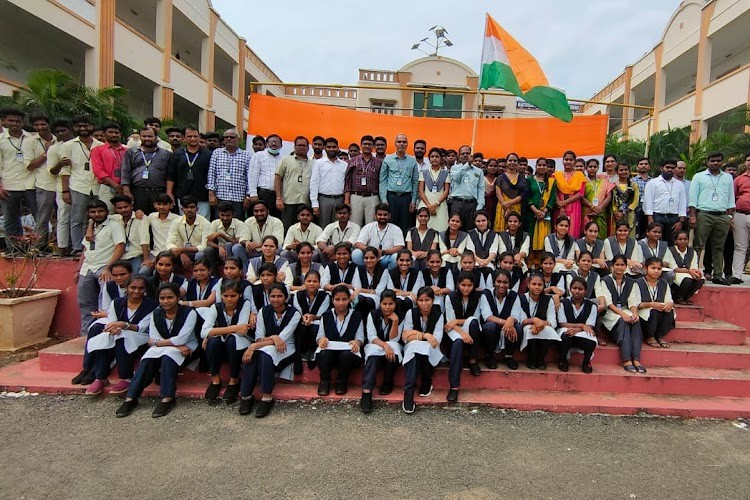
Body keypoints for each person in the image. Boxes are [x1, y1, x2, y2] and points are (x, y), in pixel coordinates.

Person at [115, 282, 198, 418]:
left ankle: (167, 398)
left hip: (187, 348)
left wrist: (166, 343)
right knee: (147, 360)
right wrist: (173, 344)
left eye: (170, 297)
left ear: (178, 298)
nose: (166, 301)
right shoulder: (156, 313)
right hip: (168, 347)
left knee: (168, 358)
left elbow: (183, 338)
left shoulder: (189, 313)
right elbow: (153, 338)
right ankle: (131, 398)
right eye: (162, 298)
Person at [84, 276, 158, 395]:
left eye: (141, 288)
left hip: (141, 337)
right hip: (120, 333)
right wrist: (114, 328)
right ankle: (101, 377)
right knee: (103, 339)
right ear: (127, 288)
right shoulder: (117, 302)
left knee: (123, 338)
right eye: (133, 287)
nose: (137, 291)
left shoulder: (152, 305)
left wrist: (124, 325)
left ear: (145, 290)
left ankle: (126, 377)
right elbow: (111, 321)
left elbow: (142, 327)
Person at [238, 283, 300, 418]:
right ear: (268, 296)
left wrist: (254, 346)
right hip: (265, 345)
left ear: (286, 297)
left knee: (264, 356)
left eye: (279, 296)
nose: (275, 299)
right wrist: (272, 338)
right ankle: (246, 396)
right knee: (253, 357)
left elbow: (283, 339)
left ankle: (266, 397)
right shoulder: (263, 311)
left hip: (286, 348)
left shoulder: (294, 313)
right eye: (272, 296)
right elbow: (259, 337)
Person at [73, 200, 126, 335]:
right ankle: (85, 335)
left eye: (100, 211)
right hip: (87, 267)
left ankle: (103, 333)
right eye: (93, 212)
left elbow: (120, 247)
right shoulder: (91, 228)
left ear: (107, 212)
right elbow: (86, 250)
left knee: (104, 304)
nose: (97, 214)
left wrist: (109, 268)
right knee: (85, 304)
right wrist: (78, 270)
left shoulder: (114, 225)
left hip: (104, 266)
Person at [201, 279, 252, 404]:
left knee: (231, 339)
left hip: (239, 342)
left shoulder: (244, 304)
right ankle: (215, 380)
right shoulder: (216, 307)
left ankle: (234, 380)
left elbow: (242, 330)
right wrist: (233, 328)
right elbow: (204, 332)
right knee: (212, 342)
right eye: (226, 296)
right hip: (222, 342)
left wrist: (214, 331)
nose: (229, 299)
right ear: (221, 295)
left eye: (233, 296)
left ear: (239, 295)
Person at [689, 152, 735, 285]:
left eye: (718, 161)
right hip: (704, 214)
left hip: (722, 216)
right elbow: (693, 198)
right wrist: (693, 216)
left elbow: (731, 198)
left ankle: (718, 275)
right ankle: (695, 272)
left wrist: (730, 216)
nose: (715, 163)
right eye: (713, 161)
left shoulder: (727, 178)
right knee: (698, 245)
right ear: (707, 162)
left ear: (722, 162)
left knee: (719, 247)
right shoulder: (699, 177)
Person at [60, 115, 103, 256]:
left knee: (98, 217)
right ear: (74, 128)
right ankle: (78, 247)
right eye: (79, 126)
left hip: (97, 185)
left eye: (86, 126)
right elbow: (65, 170)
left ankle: (96, 247)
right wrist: (65, 190)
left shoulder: (100, 145)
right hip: (78, 185)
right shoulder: (68, 146)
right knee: (77, 218)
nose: (83, 129)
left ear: (92, 126)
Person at [400, 286, 444, 413]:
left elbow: (436, 341)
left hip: (431, 350)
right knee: (414, 347)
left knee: (421, 348)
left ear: (433, 300)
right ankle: (409, 392)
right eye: (420, 300)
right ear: (417, 301)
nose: (424, 304)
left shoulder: (438, 315)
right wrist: (425, 335)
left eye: (427, 300)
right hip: (413, 347)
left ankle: (426, 381)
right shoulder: (411, 313)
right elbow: (405, 337)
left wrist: (415, 335)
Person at [315, 285, 364, 396]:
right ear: (332, 300)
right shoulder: (326, 315)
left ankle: (342, 381)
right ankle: (324, 381)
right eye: (337, 299)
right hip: (330, 351)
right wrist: (321, 340)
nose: (341, 303)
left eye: (344, 299)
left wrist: (357, 342)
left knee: (347, 354)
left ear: (349, 299)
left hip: (347, 353)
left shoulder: (356, 316)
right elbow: (319, 336)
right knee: (324, 354)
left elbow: (360, 337)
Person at [360, 290, 402, 413]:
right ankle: (366, 392)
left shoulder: (400, 315)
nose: (388, 307)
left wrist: (395, 322)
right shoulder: (372, 314)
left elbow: (395, 339)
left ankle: (388, 382)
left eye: (391, 304)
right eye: (384, 304)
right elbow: (372, 336)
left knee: (392, 354)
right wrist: (385, 345)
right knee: (373, 358)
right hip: (376, 345)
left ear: (395, 304)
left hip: (392, 345)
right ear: (380, 304)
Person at [601, 255, 645, 373]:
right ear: (612, 266)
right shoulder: (605, 280)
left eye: (622, 265)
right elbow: (608, 303)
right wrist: (623, 315)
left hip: (626, 310)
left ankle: (636, 359)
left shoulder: (631, 282)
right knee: (624, 322)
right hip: (611, 313)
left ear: (626, 266)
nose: (619, 267)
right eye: (617, 265)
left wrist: (634, 313)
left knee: (635, 321)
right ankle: (626, 360)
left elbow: (633, 300)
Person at [444, 272, 487, 389]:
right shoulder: (451, 297)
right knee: (457, 341)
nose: (466, 288)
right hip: (453, 330)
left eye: (469, 285)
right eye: (463, 285)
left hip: (471, 327)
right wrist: (462, 333)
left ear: (474, 285)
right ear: (458, 284)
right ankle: (454, 386)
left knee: (473, 322)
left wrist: (457, 321)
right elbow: (449, 321)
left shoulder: (478, 296)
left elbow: (476, 318)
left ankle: (472, 360)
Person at [23, 114, 60, 250]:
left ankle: (57, 245)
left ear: (49, 124)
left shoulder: (59, 139)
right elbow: (30, 166)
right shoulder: (30, 142)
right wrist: (47, 152)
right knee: (43, 217)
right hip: (44, 184)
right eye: (37, 125)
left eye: (43, 124)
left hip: (62, 184)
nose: (40, 128)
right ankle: (38, 247)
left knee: (61, 217)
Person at [0, 109, 35, 252]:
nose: (15, 124)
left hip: (31, 183)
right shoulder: (1, 140)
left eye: (18, 121)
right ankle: (13, 249)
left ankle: (38, 247)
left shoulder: (32, 138)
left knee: (39, 217)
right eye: (11, 121)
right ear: (4, 121)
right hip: (9, 184)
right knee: (10, 218)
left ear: (23, 122)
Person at [479, 269, 523, 370]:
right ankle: (489, 355)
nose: (502, 285)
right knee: (490, 326)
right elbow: (487, 316)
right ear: (494, 282)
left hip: (507, 328)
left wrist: (511, 321)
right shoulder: (486, 294)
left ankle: (509, 356)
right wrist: (507, 322)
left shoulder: (513, 295)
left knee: (518, 328)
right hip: (492, 327)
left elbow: (516, 315)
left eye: (505, 282)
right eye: (499, 282)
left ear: (509, 284)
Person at [121, 127, 171, 214]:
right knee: (139, 218)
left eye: (150, 136)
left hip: (158, 192)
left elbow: (170, 174)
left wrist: (168, 192)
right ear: (140, 137)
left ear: (156, 137)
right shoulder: (131, 152)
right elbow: (126, 172)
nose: (147, 138)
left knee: (157, 218)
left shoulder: (165, 154)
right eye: (144, 136)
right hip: (138, 191)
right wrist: (126, 191)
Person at [168, 125, 212, 220]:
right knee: (183, 222)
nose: (193, 139)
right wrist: (169, 192)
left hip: (202, 196)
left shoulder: (208, 154)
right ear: (184, 138)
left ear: (199, 137)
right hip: (182, 195)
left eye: (195, 136)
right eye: (189, 136)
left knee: (202, 223)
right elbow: (171, 175)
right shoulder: (177, 154)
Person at [206, 128, 251, 219]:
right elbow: (211, 174)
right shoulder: (217, 153)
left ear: (238, 139)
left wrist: (248, 196)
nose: (229, 139)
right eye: (226, 137)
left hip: (238, 198)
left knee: (237, 224)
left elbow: (249, 177)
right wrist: (211, 193)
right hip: (220, 196)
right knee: (220, 223)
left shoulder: (246, 155)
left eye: (232, 137)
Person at [45, 120, 75, 255]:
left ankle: (77, 246)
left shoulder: (81, 144)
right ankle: (63, 246)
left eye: (64, 130)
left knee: (80, 218)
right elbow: (52, 171)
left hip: (83, 185)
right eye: (58, 132)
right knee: (63, 216)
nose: (61, 134)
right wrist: (60, 164)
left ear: (71, 130)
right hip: (63, 186)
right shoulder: (54, 148)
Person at [380, 133, 419, 234]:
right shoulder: (387, 159)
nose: (401, 144)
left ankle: (404, 248)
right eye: (399, 142)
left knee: (406, 225)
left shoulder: (412, 160)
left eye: (404, 142)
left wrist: (414, 200)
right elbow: (383, 181)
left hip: (406, 198)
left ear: (407, 144)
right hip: (391, 197)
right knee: (390, 223)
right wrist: (384, 199)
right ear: (395, 144)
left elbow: (415, 182)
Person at [632, 257, 675, 349]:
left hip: (659, 308)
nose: (656, 271)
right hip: (644, 311)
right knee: (653, 312)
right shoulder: (637, 283)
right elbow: (636, 304)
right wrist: (651, 304)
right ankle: (650, 336)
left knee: (669, 311)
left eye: (659, 269)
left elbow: (669, 299)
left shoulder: (664, 283)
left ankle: (660, 336)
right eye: (653, 268)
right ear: (645, 268)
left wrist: (669, 304)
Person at [556, 277, 597, 373]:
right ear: (570, 289)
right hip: (567, 330)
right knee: (565, 336)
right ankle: (563, 359)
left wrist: (578, 329)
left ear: (586, 291)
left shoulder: (592, 306)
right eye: (574, 288)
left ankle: (586, 362)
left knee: (591, 340)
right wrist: (581, 326)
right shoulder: (563, 303)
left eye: (580, 289)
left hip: (581, 333)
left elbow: (589, 326)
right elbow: (562, 324)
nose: (577, 291)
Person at [519, 272, 558, 370]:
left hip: (543, 326)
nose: (537, 287)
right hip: (527, 326)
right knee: (529, 329)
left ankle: (541, 359)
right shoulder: (521, 298)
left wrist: (540, 324)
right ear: (528, 284)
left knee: (546, 330)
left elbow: (552, 322)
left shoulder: (548, 300)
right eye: (534, 284)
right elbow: (522, 320)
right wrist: (533, 321)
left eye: (540, 285)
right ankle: (531, 358)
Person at [290, 269, 329, 368]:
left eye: (315, 281)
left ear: (319, 283)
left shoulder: (325, 296)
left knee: (315, 328)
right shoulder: (298, 295)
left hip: (317, 321)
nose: (311, 284)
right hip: (303, 321)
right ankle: (301, 353)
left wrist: (313, 317)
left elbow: (322, 313)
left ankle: (313, 351)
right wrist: (304, 318)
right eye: (309, 281)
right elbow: (297, 311)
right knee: (300, 328)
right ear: (304, 282)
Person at [643, 159, 686, 245]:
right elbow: (648, 202)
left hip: (673, 218)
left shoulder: (679, 184)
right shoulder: (653, 183)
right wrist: (650, 219)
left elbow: (682, 203)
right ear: (661, 168)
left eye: (673, 168)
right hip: (657, 216)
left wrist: (681, 221)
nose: (670, 170)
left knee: (671, 243)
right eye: (667, 167)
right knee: (655, 242)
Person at [275, 136, 313, 230]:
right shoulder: (286, 160)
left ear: (308, 147)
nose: (301, 147)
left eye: (304, 145)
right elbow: (278, 178)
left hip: (306, 201)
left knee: (304, 228)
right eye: (299, 145)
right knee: (288, 228)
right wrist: (279, 198)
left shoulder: (313, 163)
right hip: (289, 201)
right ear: (294, 147)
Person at [234, 200, 284, 271]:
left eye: (262, 211)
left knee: (279, 249)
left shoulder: (276, 222)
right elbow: (243, 238)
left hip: (268, 251)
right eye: (256, 211)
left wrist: (261, 244)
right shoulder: (249, 221)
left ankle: (272, 271)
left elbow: (278, 241)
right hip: (253, 251)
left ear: (268, 211)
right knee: (236, 247)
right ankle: (246, 271)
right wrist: (247, 242)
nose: (259, 213)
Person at [344, 135, 382, 228]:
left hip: (372, 197)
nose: (367, 146)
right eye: (365, 144)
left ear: (373, 146)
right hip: (356, 196)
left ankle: (370, 243)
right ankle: (354, 243)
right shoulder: (352, 161)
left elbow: (382, 181)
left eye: (370, 144)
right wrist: (347, 200)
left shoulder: (379, 162)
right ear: (361, 145)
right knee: (355, 225)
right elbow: (347, 181)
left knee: (372, 225)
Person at [88, 122, 127, 212]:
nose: (114, 134)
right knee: (107, 214)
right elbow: (98, 171)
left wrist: (124, 186)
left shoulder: (127, 150)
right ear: (105, 134)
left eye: (116, 132)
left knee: (125, 214)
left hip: (125, 188)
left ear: (120, 134)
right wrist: (115, 185)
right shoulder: (98, 150)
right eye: (110, 132)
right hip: (107, 187)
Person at [352, 203, 404, 270]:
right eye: (380, 214)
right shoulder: (368, 227)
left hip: (386, 257)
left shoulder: (396, 229)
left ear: (389, 216)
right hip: (369, 257)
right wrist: (372, 251)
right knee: (356, 253)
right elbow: (359, 244)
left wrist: (383, 252)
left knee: (396, 257)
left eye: (385, 215)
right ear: (375, 216)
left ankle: (390, 277)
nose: (382, 217)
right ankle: (363, 275)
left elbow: (400, 247)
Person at [310, 137, 348, 228]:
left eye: (334, 147)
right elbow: (314, 183)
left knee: (338, 226)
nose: (331, 149)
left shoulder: (344, 165)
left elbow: (347, 184)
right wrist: (314, 203)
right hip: (323, 199)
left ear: (338, 148)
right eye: (329, 147)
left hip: (339, 199)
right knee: (323, 226)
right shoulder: (318, 163)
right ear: (325, 148)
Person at [167, 195, 211, 272]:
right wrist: (181, 253)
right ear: (182, 209)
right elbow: (169, 243)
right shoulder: (176, 222)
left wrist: (183, 249)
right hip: (180, 252)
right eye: (186, 207)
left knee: (200, 255)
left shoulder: (205, 223)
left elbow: (204, 246)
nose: (189, 210)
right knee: (167, 254)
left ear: (197, 209)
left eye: (192, 207)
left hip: (197, 252)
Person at [108, 195, 150, 273]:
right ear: (115, 209)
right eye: (119, 208)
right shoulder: (116, 218)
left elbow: (144, 240)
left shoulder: (141, 218)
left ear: (131, 206)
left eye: (126, 207)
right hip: (121, 256)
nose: (123, 210)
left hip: (137, 255)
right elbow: (97, 218)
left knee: (135, 276)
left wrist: (146, 259)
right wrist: (90, 225)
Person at [526, 157, 556, 263]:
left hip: (545, 216)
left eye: (544, 165)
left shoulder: (551, 182)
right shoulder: (529, 180)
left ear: (547, 167)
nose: (542, 167)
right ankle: (529, 265)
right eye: (540, 165)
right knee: (530, 238)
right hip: (531, 215)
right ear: (536, 166)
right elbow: (527, 196)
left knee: (543, 240)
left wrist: (544, 211)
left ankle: (539, 264)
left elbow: (552, 198)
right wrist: (536, 211)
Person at [204, 202, 249, 270]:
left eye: (228, 215)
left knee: (229, 245)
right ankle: (214, 274)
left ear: (233, 214)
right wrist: (219, 247)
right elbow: (208, 242)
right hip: (220, 251)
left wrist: (222, 235)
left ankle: (231, 267)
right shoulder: (215, 223)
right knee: (207, 250)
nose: (225, 218)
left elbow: (238, 242)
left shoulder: (239, 224)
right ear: (219, 214)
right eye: (222, 215)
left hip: (234, 252)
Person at [449, 145, 484, 231]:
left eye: (467, 153)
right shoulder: (454, 168)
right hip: (457, 203)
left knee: (470, 229)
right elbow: (456, 178)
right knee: (455, 228)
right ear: (458, 156)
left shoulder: (478, 171)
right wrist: (467, 165)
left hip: (471, 204)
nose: (465, 155)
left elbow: (481, 189)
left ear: (471, 155)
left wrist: (480, 206)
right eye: (463, 153)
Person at [552, 151, 587, 239]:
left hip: (574, 207)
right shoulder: (556, 175)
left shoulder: (580, 176)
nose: (568, 162)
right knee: (558, 230)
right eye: (566, 159)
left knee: (572, 231)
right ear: (562, 161)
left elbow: (580, 194)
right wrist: (560, 204)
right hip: (559, 207)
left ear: (574, 161)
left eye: (571, 160)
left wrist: (563, 203)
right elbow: (554, 191)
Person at [248, 133, 283, 217]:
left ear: (281, 145)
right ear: (267, 144)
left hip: (278, 196)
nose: (274, 144)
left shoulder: (284, 159)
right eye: (271, 142)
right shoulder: (258, 156)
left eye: (276, 142)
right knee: (260, 217)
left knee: (275, 219)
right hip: (262, 193)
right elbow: (253, 175)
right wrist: (253, 194)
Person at [664, 230, 704, 305]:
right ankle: (679, 297)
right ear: (675, 241)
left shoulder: (692, 251)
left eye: (685, 239)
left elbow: (694, 266)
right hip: (677, 272)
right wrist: (689, 272)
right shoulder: (670, 250)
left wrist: (696, 272)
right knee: (687, 280)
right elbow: (674, 268)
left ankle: (688, 296)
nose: (683, 241)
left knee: (700, 280)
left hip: (689, 272)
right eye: (680, 239)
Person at [143, 194, 179, 273]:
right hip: (155, 253)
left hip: (171, 254)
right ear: (154, 205)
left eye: (165, 204)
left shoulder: (177, 219)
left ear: (171, 205)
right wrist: (139, 212)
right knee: (143, 271)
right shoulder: (152, 217)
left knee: (159, 271)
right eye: (159, 204)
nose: (162, 207)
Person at [417, 147, 450, 230]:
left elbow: (446, 191)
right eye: (432, 156)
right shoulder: (424, 173)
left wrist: (436, 204)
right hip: (425, 204)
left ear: (441, 158)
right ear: (429, 158)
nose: (434, 159)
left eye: (437, 156)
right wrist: (429, 206)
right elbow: (421, 191)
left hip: (440, 205)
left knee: (441, 228)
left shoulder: (445, 173)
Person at [353, 246, 390, 319]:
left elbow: (379, 292)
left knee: (369, 301)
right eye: (366, 258)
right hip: (361, 296)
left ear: (377, 258)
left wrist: (361, 290)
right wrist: (363, 290)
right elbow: (356, 287)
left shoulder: (383, 271)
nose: (369, 260)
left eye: (372, 258)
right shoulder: (359, 269)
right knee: (361, 299)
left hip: (375, 298)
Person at [494, 152, 528, 232]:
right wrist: (506, 207)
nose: (512, 162)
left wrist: (509, 203)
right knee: (501, 231)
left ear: (518, 163)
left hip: (516, 207)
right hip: (502, 207)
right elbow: (498, 193)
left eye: (514, 160)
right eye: (510, 160)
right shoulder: (500, 177)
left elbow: (523, 194)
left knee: (515, 230)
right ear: (506, 162)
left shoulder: (522, 179)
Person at [730, 152, 750, 284]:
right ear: (745, 162)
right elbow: (732, 198)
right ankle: (736, 275)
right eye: (748, 160)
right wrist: (730, 216)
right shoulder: (739, 179)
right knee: (740, 246)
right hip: (740, 214)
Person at [388, 249, 424, 319]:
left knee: (407, 301)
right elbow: (390, 292)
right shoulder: (390, 273)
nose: (404, 263)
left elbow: (415, 293)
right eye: (401, 260)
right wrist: (408, 293)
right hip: (396, 301)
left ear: (411, 261)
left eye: (407, 260)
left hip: (411, 301)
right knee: (397, 301)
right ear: (397, 261)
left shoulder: (417, 273)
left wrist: (399, 292)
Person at [582, 158, 613, 239]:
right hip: (587, 212)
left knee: (601, 235)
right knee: (587, 234)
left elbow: (609, 196)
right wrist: (592, 207)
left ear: (598, 168)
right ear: (586, 168)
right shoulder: (583, 181)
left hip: (600, 213)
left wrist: (599, 208)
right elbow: (580, 197)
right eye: (590, 167)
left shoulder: (604, 181)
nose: (592, 169)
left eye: (594, 167)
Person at [466, 210, 498, 282]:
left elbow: (493, 252)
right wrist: (479, 261)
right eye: (478, 221)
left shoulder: (494, 234)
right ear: (475, 222)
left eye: (483, 220)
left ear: (488, 221)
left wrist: (485, 262)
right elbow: (471, 251)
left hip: (489, 262)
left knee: (488, 270)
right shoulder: (470, 234)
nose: (481, 223)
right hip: (475, 262)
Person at [610, 162, 640, 238]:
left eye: (626, 170)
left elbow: (636, 201)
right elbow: (612, 200)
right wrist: (616, 212)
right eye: (621, 170)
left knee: (630, 233)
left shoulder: (634, 185)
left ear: (629, 171)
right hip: (616, 215)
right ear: (617, 172)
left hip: (630, 214)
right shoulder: (613, 185)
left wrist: (624, 212)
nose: (624, 172)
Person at [633, 157, 652, 239]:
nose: (643, 166)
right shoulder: (632, 181)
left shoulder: (654, 181)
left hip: (650, 209)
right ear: (637, 167)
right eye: (641, 164)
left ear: (649, 167)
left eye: (646, 164)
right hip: (636, 209)